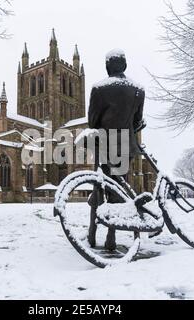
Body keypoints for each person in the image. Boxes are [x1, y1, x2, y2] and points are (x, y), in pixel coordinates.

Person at [87, 49, 145, 251]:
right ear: (125, 66)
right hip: (127, 146)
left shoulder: (99, 88)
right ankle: (111, 236)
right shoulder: (138, 89)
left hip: (105, 145)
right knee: (118, 189)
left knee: (100, 187)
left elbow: (92, 121)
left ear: (107, 66)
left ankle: (92, 233)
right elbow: (137, 122)